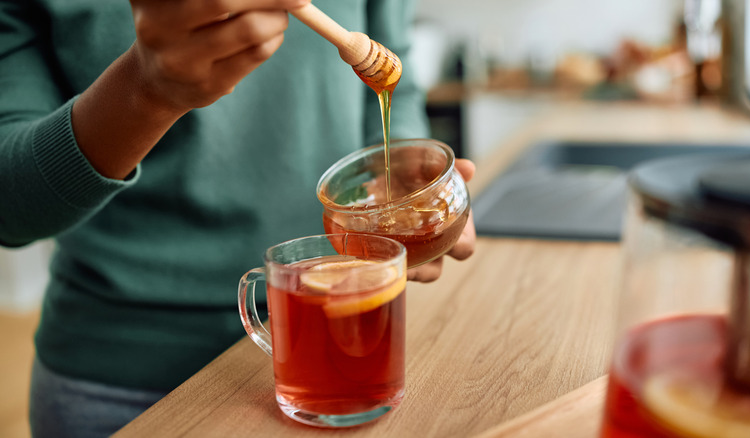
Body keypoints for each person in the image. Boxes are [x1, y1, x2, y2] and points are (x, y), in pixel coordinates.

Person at [0, 0, 476, 436]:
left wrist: (408, 183)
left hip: (341, 354)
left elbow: (395, 80)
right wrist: (147, 89)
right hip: (119, 381)